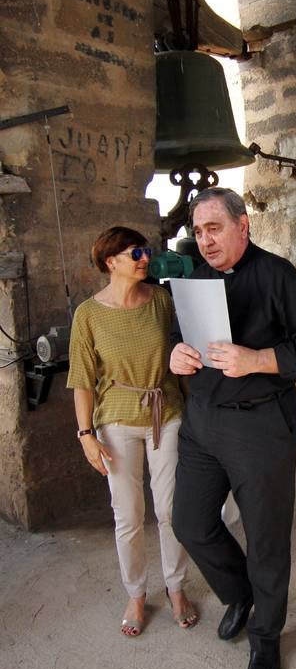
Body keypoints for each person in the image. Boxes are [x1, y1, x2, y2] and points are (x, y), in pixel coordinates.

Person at [170, 187, 296, 669]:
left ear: (244, 226)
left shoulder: (277, 275)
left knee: (265, 539)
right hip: (202, 421)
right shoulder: (193, 276)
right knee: (189, 524)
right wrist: (177, 355)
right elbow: (183, 337)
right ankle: (239, 594)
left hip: (260, 425)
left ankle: (266, 636)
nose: (205, 240)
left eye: (214, 228)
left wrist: (256, 359)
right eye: (198, 231)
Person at [67, 226, 197, 637]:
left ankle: (176, 587)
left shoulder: (161, 300)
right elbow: (82, 380)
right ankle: (136, 593)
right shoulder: (88, 314)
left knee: (171, 510)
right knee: (128, 514)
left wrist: (198, 412)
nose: (146, 258)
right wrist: (86, 434)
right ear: (112, 262)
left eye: (146, 251)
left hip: (168, 410)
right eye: (136, 253)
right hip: (116, 419)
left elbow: (182, 353)